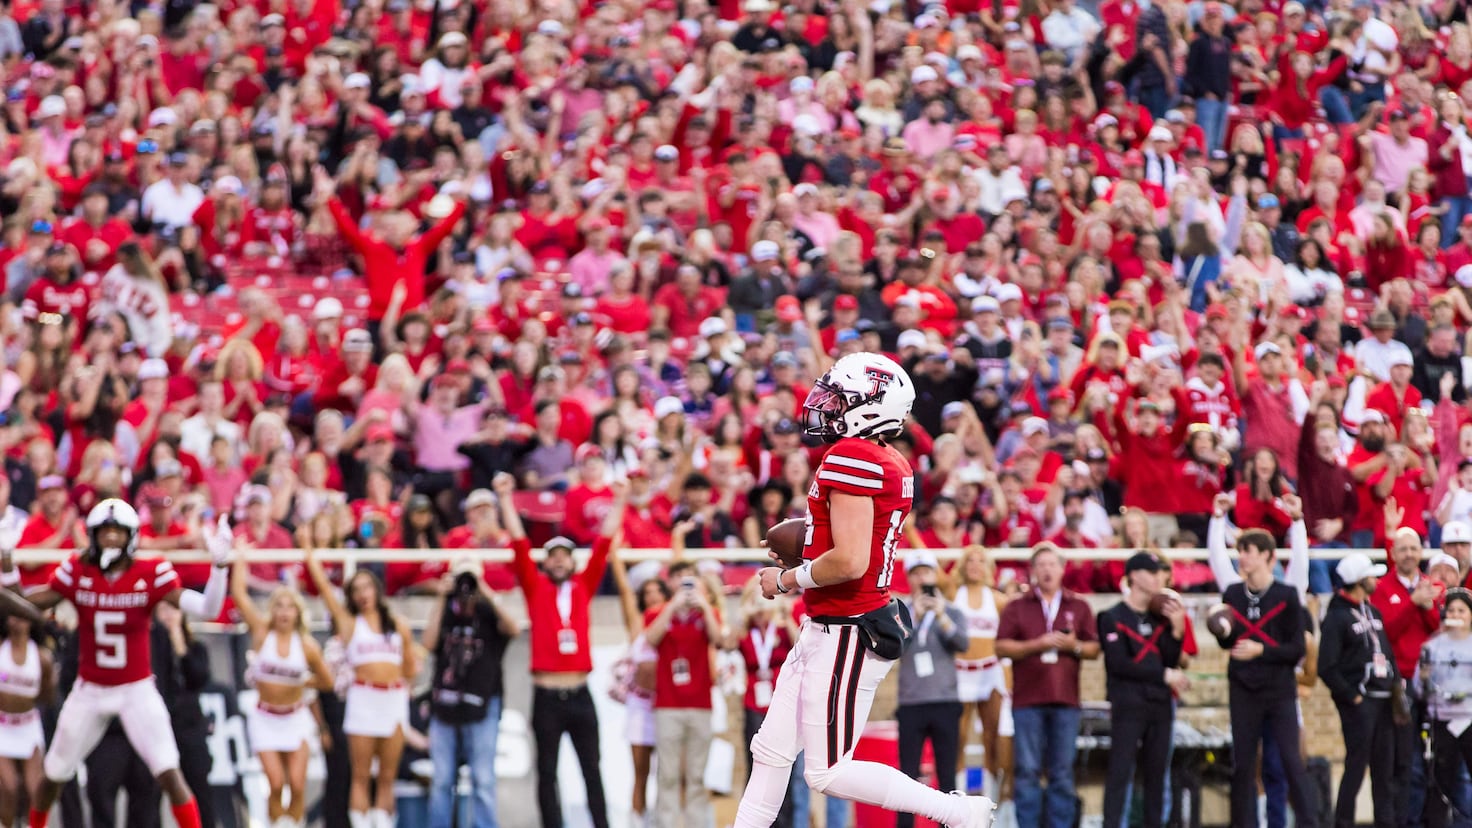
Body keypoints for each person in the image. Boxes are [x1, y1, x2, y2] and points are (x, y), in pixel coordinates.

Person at [736, 352, 995, 828]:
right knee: (770, 749)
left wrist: (786, 579)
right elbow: (857, 545)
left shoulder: (852, 456)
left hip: (846, 629)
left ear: (869, 406)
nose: (825, 406)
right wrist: (809, 544)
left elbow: (851, 561)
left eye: (839, 399)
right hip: (833, 624)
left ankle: (957, 810)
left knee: (828, 771)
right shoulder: (886, 458)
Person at [0, 499, 231, 828]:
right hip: (90, 691)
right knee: (53, 775)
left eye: (117, 532)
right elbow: (19, 604)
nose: (111, 538)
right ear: (92, 536)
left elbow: (208, 609)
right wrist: (7, 559)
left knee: (169, 772)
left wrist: (220, 567)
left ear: (132, 536)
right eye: (104, 531)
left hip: (136, 690)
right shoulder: (78, 570)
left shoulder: (150, 572)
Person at [497, 471, 618, 828]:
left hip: (580, 693)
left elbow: (603, 544)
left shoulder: (583, 587)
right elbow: (519, 544)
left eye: (566, 556)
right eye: (554, 557)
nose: (561, 561)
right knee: (546, 772)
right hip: (547, 696)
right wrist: (506, 497)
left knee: (591, 769)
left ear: (572, 561)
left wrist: (622, 500)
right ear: (546, 563)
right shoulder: (536, 588)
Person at [1208, 520, 1319, 828]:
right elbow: (1229, 643)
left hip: (1279, 690)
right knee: (1243, 765)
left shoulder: (1286, 595)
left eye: (1249, 551)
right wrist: (1221, 631)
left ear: (1269, 556)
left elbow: (1297, 648)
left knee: (1290, 761)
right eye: (1240, 551)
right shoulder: (1232, 594)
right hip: (1243, 689)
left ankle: (1308, 822)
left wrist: (1262, 651)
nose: (1242, 557)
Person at [304, 534, 419, 828]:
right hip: (364, 697)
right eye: (356, 590)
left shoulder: (398, 626)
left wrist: (405, 681)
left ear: (377, 590)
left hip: (392, 698)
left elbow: (410, 665)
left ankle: (381, 823)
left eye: (367, 587)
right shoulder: (350, 624)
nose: (363, 594)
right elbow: (326, 594)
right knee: (360, 772)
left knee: (387, 775)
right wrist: (309, 550)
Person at [994, 543, 1101, 828]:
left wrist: (1074, 645)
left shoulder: (1078, 605)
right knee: (1027, 770)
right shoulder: (1017, 606)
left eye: (1052, 564)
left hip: (1066, 701)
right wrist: (1036, 645)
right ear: (1032, 571)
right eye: (1041, 565)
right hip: (1027, 700)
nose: (1047, 570)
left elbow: (1094, 648)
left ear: (1063, 569)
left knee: (1062, 772)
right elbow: (1001, 647)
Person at [232, 550, 334, 828]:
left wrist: (303, 682)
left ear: (298, 612)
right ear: (272, 610)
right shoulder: (262, 634)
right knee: (276, 783)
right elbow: (239, 595)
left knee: (298, 785)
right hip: (265, 717)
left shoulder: (308, 646)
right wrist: (240, 558)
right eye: (279, 606)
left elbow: (327, 681)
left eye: (290, 606)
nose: (284, 612)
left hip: (295, 717)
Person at [422, 557, 518, 828]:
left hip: (484, 703)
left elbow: (514, 629)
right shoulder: (447, 613)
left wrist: (485, 591)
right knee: (442, 780)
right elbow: (428, 643)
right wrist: (442, 598)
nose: (466, 588)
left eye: (470, 580)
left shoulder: (489, 614)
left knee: (483, 779)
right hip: (445, 703)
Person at [1097, 551, 1186, 828]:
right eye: (1151, 571)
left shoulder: (1160, 617)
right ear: (1134, 576)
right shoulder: (1111, 617)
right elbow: (1119, 663)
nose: (1159, 577)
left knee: (1157, 774)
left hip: (1160, 705)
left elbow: (1170, 659)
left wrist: (1177, 631)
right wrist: (1163, 674)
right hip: (1128, 704)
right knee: (1120, 772)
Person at [1318, 552, 1399, 828]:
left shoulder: (1373, 611)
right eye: (1370, 575)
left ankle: (1385, 823)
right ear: (1358, 580)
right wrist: (1352, 696)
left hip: (1384, 700)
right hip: (1359, 703)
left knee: (1384, 770)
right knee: (1355, 768)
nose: (1375, 580)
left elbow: (1385, 652)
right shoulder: (1336, 617)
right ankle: (1343, 823)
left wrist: (1396, 686)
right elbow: (1326, 667)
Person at [644, 558, 723, 828]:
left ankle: (697, 824)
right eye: (680, 578)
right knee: (667, 773)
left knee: (697, 774)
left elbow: (719, 640)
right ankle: (665, 823)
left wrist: (704, 606)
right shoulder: (658, 612)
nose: (685, 584)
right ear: (670, 583)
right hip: (668, 704)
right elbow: (650, 639)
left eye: (690, 578)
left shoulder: (707, 612)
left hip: (700, 703)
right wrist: (672, 607)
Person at [896, 551, 970, 828]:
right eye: (916, 573)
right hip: (911, 702)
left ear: (935, 575)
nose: (922, 578)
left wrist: (940, 616)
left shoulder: (951, 610)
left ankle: (949, 824)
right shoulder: (901, 609)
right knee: (907, 775)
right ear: (909, 578)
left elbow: (963, 644)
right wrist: (914, 613)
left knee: (947, 773)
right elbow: (896, 648)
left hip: (945, 701)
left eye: (927, 572)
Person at [941, 545, 1012, 799]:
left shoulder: (999, 600)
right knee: (957, 737)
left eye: (980, 560)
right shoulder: (953, 593)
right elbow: (935, 571)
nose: (975, 565)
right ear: (962, 565)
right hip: (959, 672)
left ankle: (990, 800)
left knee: (992, 738)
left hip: (990, 671)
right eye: (970, 560)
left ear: (988, 568)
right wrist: (913, 531)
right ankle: (957, 799)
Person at [1418, 588, 1472, 828]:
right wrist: (1424, 677)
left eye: (1462, 610)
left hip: (1470, 719)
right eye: (1451, 610)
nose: (1456, 615)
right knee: (1441, 781)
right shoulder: (1432, 646)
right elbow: (1420, 688)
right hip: (1442, 720)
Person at [0, 608, 54, 828]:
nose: (17, 622)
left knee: (36, 788)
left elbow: (47, 696)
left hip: (28, 724)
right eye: (14, 615)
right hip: (3, 725)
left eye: (23, 617)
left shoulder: (42, 658)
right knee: (9, 787)